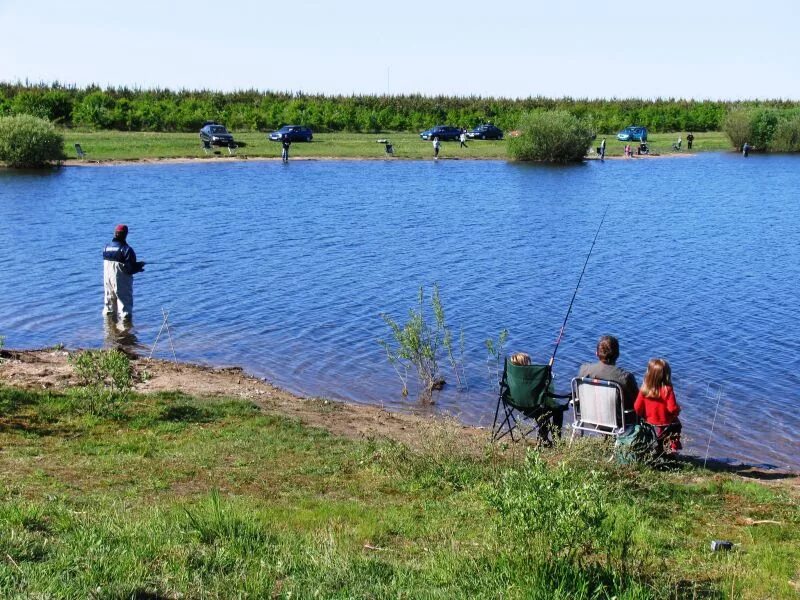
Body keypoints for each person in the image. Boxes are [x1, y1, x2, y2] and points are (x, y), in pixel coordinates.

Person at [508, 352, 567, 442]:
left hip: (517, 404)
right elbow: (549, 394)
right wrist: (548, 377)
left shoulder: (513, 376)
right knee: (558, 410)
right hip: (534, 407)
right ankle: (556, 441)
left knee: (542, 410)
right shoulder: (534, 379)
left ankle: (543, 439)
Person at [577, 335, 639, 412]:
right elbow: (637, 403)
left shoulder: (584, 370)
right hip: (618, 422)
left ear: (596, 353)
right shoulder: (626, 377)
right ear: (618, 354)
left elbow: (578, 395)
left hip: (588, 418)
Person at [634, 358, 682, 452]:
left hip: (649, 420)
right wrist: (678, 410)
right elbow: (672, 409)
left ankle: (658, 444)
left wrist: (644, 416)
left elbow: (637, 407)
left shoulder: (644, 389)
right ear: (667, 375)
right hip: (665, 421)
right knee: (677, 425)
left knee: (663, 427)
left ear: (649, 374)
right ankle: (672, 447)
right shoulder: (667, 390)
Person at [103, 224, 145, 323]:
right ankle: (125, 332)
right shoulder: (126, 250)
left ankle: (109, 329)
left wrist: (136, 266)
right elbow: (129, 269)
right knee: (125, 307)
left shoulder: (106, 248)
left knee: (109, 305)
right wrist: (139, 267)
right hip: (121, 281)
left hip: (107, 280)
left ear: (115, 234)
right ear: (126, 234)